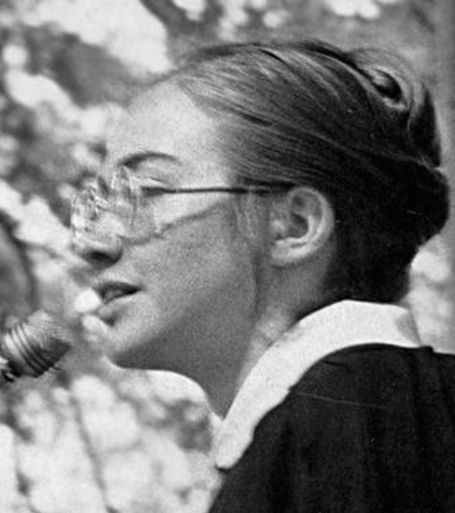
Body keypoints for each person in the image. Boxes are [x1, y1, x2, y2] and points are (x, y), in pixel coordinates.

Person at [71, 38, 455, 512]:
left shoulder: (333, 429)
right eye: (101, 203)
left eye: (147, 191)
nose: (92, 245)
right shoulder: (370, 416)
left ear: (295, 226)